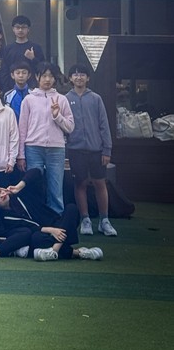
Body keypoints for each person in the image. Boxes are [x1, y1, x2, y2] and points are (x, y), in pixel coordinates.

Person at [0, 169, 103, 261]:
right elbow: (29, 228)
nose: (1, 195)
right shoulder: (4, 218)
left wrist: (18, 187)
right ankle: (78, 252)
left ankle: (55, 250)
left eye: (0, 191)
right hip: (43, 233)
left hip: (58, 224)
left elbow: (36, 172)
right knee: (36, 239)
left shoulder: (23, 194)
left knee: (71, 208)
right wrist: (51, 230)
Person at [66, 64, 117, 236]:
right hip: (75, 149)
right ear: (70, 78)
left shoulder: (96, 98)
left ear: (88, 78)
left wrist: (107, 150)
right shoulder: (65, 99)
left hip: (96, 150)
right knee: (80, 183)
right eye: (75, 74)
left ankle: (104, 220)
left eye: (82, 74)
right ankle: (85, 219)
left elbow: (104, 125)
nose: (79, 77)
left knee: (99, 183)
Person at [17, 62, 74, 216]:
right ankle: (37, 218)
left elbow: (70, 127)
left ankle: (57, 218)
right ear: (37, 77)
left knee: (56, 187)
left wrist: (57, 116)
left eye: (51, 76)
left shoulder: (61, 99)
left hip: (56, 149)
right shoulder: (28, 99)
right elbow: (22, 129)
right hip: (33, 148)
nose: (47, 79)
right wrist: (21, 155)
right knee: (34, 185)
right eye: (44, 76)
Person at [2, 16, 45, 86]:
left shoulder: (36, 47)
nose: (20, 30)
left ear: (28, 29)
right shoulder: (8, 49)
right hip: (12, 87)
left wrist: (33, 59)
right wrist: (6, 87)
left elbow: (43, 68)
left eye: (23, 27)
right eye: (17, 27)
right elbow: (4, 70)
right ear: (13, 29)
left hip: (32, 87)